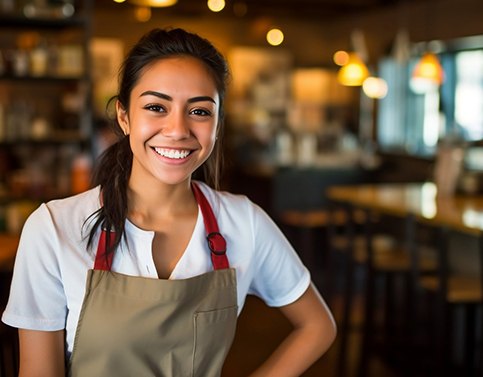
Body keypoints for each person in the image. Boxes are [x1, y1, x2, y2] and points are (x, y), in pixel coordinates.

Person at [2, 28, 336, 376]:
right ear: (124, 116)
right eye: (156, 107)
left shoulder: (243, 223)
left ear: (218, 125)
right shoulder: (53, 229)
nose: (177, 130)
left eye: (200, 112)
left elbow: (318, 326)